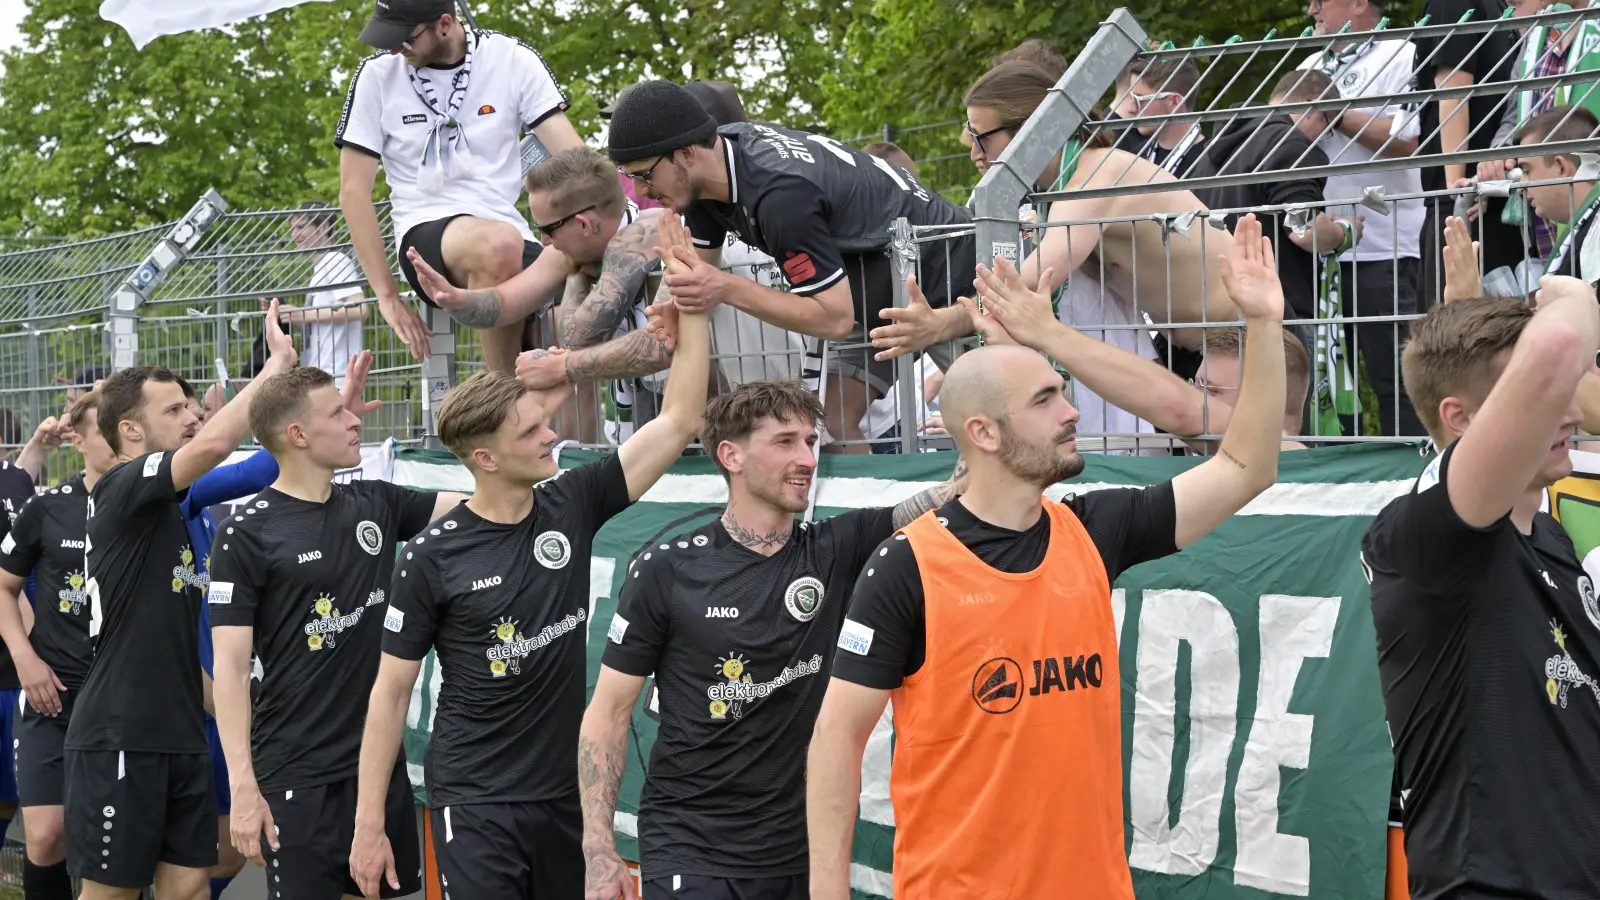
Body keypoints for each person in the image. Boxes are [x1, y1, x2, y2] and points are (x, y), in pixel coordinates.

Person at [806, 215, 1289, 900]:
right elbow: (837, 739)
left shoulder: (1093, 530)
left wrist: (1263, 325)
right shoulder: (908, 565)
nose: (1072, 412)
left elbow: (1246, 467)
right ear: (983, 433)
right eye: (1046, 399)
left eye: (1062, 390)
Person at [348, 215, 712, 900]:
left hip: (565, 799)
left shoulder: (571, 502)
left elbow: (680, 419)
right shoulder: (430, 557)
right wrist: (370, 824)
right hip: (475, 803)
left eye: (543, 423)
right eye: (531, 431)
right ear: (485, 458)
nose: (551, 437)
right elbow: (390, 693)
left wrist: (693, 304)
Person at [578, 381, 967, 900]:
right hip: (691, 850)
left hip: (800, 856)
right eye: (785, 442)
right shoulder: (667, 569)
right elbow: (607, 714)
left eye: (810, 441)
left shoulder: (837, 548)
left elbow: (954, 496)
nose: (807, 458)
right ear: (731, 456)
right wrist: (598, 848)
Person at [1359, 275, 1600, 899]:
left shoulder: (1549, 537)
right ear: (1458, 418)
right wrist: (1574, 297)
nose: (1571, 413)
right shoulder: (1420, 540)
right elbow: (1557, 347)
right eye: (1545, 397)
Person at [208, 355, 469, 900]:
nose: (355, 420)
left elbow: (477, 509)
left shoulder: (376, 501)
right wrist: (243, 784)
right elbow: (229, 669)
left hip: (378, 769)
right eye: (337, 414)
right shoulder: (245, 533)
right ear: (298, 435)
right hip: (296, 772)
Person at [62, 303, 296, 900]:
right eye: (174, 410)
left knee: (190, 885)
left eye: (191, 408)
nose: (191, 416)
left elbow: (175, 653)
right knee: (110, 894)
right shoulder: (122, 486)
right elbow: (217, 445)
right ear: (131, 431)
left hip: (182, 732)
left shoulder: (174, 508)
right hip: (121, 734)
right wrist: (275, 368)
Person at [606, 79, 977, 450]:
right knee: (826, 423)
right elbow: (700, 267)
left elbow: (834, 319)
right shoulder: (714, 169)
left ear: (687, 152)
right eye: (629, 177)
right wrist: (674, 307)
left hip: (952, 281)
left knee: (990, 421)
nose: (639, 192)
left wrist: (724, 287)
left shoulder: (780, 196)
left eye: (644, 175)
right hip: (879, 291)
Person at [927, 61, 1236, 380]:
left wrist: (939, 324)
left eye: (981, 139)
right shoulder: (1061, 189)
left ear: (1029, 130)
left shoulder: (1093, 180)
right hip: (1196, 346)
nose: (975, 154)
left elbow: (1030, 281)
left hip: (1238, 339)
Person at [335, 0, 585, 374]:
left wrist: (613, 225)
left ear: (445, 24)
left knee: (576, 301)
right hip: (426, 232)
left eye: (405, 38)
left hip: (509, 230)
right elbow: (353, 191)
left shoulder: (510, 58)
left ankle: (565, 414)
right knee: (498, 245)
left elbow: (576, 159)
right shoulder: (377, 75)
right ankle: (500, 398)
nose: (395, 49)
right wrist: (386, 296)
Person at [959, 228, 1310, 453]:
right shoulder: (1213, 474)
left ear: (1267, 402)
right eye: (1197, 385)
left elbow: (1181, 408)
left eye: (1212, 391)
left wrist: (1047, 332)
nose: (1198, 397)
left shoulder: (1281, 459)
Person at [1295, 0, 1425, 436]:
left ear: (1358, 3)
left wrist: (1333, 111)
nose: (1310, 10)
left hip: (1384, 246)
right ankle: (1342, 467)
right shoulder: (1310, 65)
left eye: (1320, 1)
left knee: (1398, 377)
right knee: (1327, 382)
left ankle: (1410, 467)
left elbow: (1407, 139)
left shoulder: (1403, 53)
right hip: (1319, 249)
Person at [0, 392, 111, 900]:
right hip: (47, 691)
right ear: (79, 439)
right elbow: (6, 584)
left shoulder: (157, 503)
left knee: (110, 841)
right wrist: (26, 655)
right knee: (44, 836)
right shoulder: (48, 506)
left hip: (120, 699)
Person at [264, 202, 367, 387]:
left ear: (323, 227)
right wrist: (290, 316)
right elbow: (318, 327)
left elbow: (360, 309)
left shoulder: (335, 261)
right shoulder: (320, 268)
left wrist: (305, 314)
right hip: (321, 375)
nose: (294, 234)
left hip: (338, 375)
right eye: (293, 228)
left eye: (301, 227)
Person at [1513, 106, 1600, 284]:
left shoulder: (1594, 233)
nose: (1521, 186)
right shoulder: (1587, 229)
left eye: (1527, 170)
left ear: (1560, 167)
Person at [1109, 55, 1208, 176]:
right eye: (1132, 98)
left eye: (1140, 100)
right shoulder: (1135, 156)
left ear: (1174, 102)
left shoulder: (1210, 163)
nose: (1132, 108)